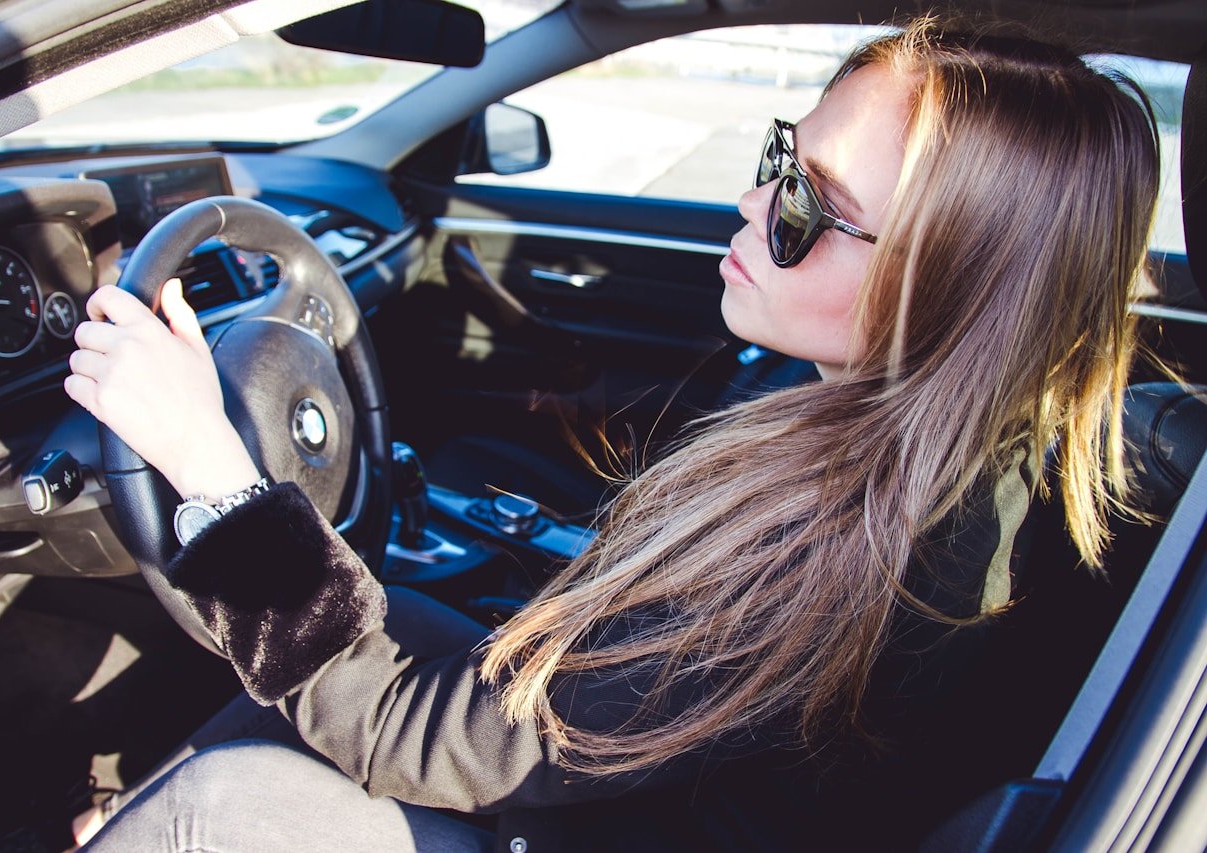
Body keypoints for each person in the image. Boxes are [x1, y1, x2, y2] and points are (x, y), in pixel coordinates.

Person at [67, 19, 1160, 852]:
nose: (749, 198)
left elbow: (407, 734)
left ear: (951, 291)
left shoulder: (824, 544)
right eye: (781, 156)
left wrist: (208, 465)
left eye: (805, 208)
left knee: (220, 809)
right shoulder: (981, 450)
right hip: (652, 795)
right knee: (396, 616)